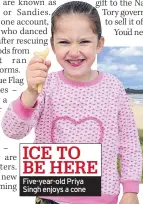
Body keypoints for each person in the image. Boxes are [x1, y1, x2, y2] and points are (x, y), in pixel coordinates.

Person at [1, 1, 142, 204]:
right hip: (50, 194)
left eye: (84, 41)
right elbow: (12, 131)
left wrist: (130, 190)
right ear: (52, 45)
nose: (74, 52)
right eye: (64, 42)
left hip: (101, 197)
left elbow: (129, 143)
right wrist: (30, 92)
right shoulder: (44, 85)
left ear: (99, 44)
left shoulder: (114, 87)